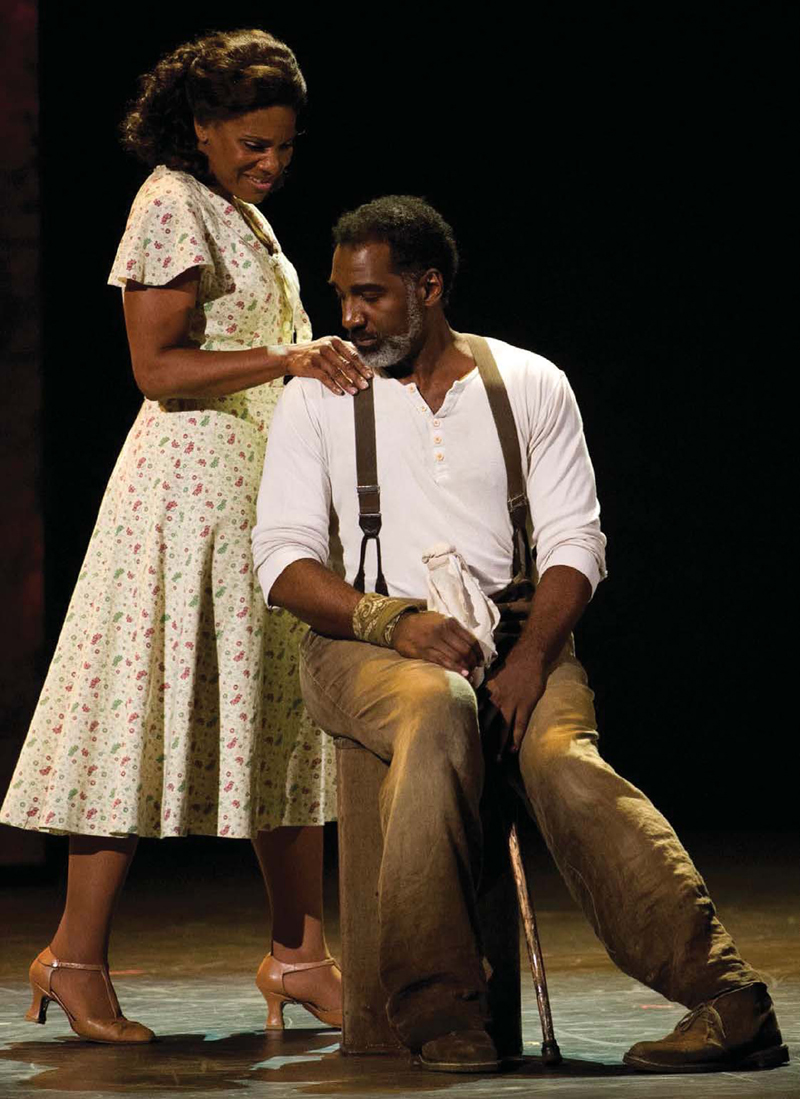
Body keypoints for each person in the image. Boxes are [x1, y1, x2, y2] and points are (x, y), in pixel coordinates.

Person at [251, 195, 789, 1075]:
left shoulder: (529, 383)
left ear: (430, 287)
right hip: (365, 640)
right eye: (341, 294)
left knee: (566, 765)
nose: (347, 316)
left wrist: (531, 660)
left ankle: (730, 1000)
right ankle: (439, 1010)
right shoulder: (319, 397)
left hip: (511, 631)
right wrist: (396, 620)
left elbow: (578, 542)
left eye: (371, 296)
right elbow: (282, 563)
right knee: (435, 708)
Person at [0, 29, 372, 1043]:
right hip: (182, 501)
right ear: (199, 125)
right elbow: (157, 370)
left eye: (283, 146)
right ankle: (72, 957)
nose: (269, 162)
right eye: (251, 143)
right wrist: (288, 359)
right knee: (140, 717)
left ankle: (300, 956)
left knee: (282, 718)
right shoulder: (168, 201)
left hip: (253, 502)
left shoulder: (240, 217)